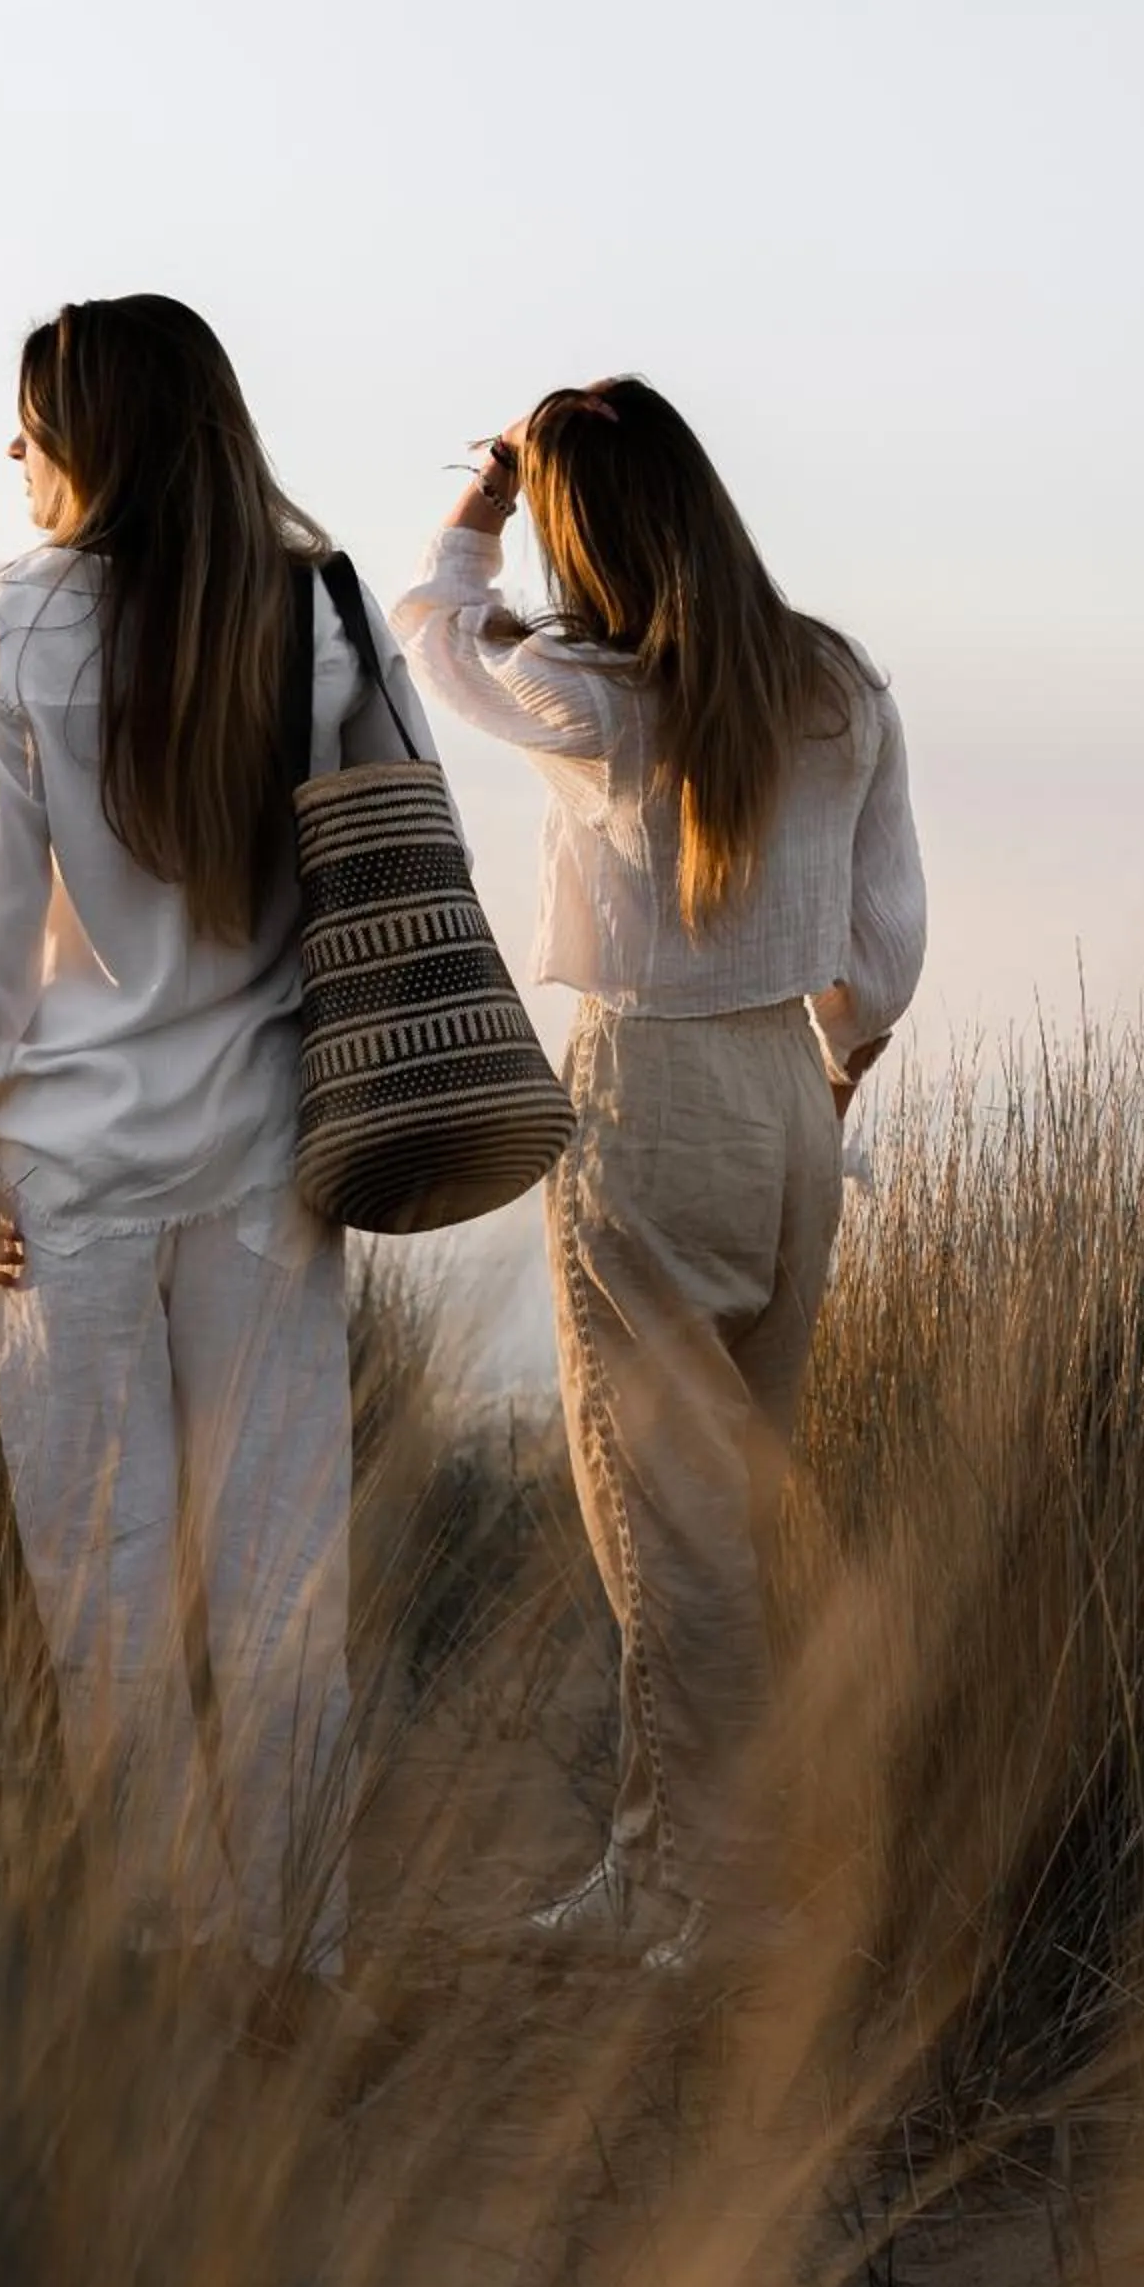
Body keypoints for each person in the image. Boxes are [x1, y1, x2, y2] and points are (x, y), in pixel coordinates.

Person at [0, 294, 440, 1996]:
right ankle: (302, 1960)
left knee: (105, 1574)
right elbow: (412, 847)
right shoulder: (328, 608)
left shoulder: (18, 624)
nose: (15, 453)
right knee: (282, 1557)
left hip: (67, 1160)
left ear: (99, 438)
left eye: (34, 422)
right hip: (268, 1152)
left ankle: (170, 1944)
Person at [392, 379, 926, 1974]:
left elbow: (432, 636)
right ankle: (656, 1872)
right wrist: (838, 1043)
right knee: (717, 1505)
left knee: (666, 1525)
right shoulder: (835, 681)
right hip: (788, 1097)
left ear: (587, 528)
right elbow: (886, 919)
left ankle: (728, 1903)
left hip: (654, 1098)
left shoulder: (593, 694)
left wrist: (479, 508)